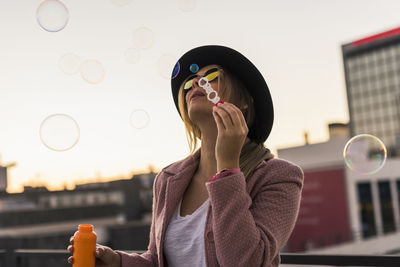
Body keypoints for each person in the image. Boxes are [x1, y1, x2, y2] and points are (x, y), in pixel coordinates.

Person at [67, 45, 304, 267]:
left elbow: (246, 261)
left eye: (211, 76)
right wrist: (117, 261)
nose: (196, 82)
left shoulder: (279, 176)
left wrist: (228, 168)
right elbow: (158, 261)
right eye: (190, 81)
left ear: (244, 101)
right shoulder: (168, 178)